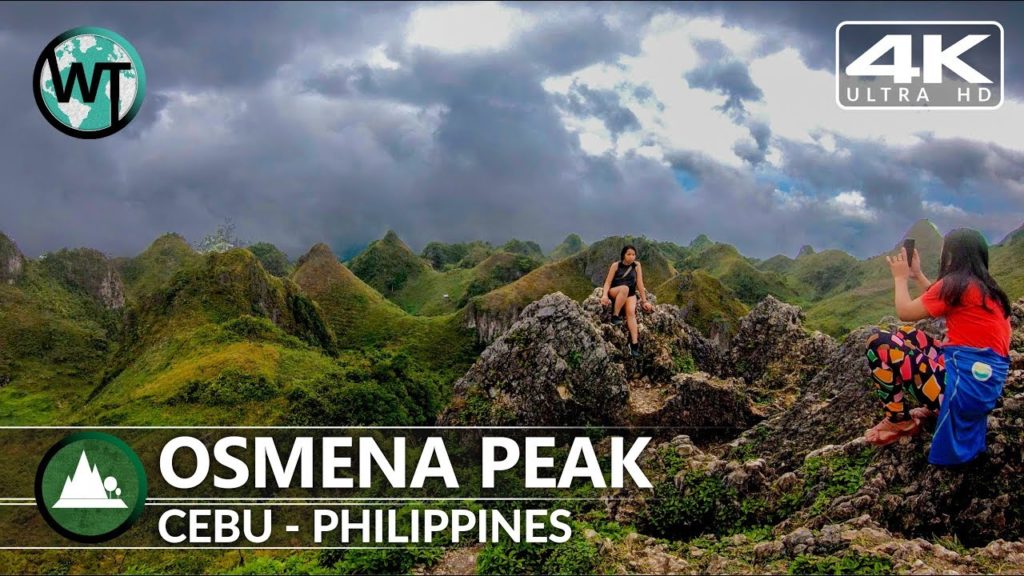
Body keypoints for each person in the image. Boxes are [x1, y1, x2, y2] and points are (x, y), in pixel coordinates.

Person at [864, 228, 1012, 464]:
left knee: (879, 343)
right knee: (907, 336)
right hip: (981, 389)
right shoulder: (986, 289)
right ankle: (934, 407)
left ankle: (898, 419)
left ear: (951, 256)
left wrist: (900, 278)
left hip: (961, 395)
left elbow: (905, 312)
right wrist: (918, 275)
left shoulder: (955, 285)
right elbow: (942, 297)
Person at [600, 245, 654, 357]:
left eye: (633, 254)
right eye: (628, 254)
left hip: (630, 295)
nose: (631, 257)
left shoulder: (637, 266)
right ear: (623, 255)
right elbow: (608, 282)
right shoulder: (616, 265)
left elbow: (640, 283)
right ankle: (615, 316)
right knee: (624, 288)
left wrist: (644, 301)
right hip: (616, 291)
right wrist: (605, 295)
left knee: (631, 313)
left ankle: (634, 345)